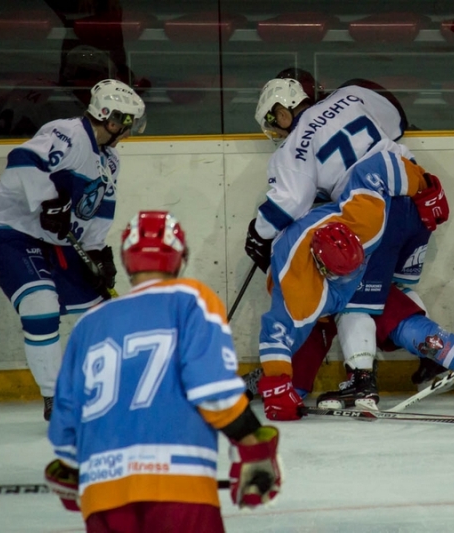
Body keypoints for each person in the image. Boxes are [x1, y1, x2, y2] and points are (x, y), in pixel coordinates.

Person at [45, 210, 282, 532]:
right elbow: (211, 388)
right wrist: (253, 447)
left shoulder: (89, 323)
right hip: (179, 489)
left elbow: (65, 426)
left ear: (127, 262)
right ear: (180, 258)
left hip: (103, 495)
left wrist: (74, 469)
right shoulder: (190, 299)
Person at [257, 149, 454, 421]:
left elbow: (379, 165)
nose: (347, 279)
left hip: (372, 255)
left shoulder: (363, 220)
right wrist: (276, 383)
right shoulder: (297, 289)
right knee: (301, 372)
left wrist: (425, 185)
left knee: (399, 321)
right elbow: (275, 333)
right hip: (318, 300)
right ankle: (361, 378)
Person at [248, 72, 451, 404]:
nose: (278, 130)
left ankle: (362, 381)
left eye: (275, 120)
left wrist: (258, 233)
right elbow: (396, 122)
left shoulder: (295, 143)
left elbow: (290, 201)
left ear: (283, 110)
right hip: (417, 198)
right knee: (393, 289)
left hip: (373, 211)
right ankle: (430, 361)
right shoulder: (353, 95)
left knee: (354, 298)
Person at [0, 79, 145, 421]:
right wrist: (49, 201)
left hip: (57, 242)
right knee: (40, 306)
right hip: (12, 234)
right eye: (126, 122)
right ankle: (56, 399)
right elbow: (23, 159)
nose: (129, 131)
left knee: (102, 315)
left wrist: (97, 254)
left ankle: (110, 388)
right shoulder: (66, 133)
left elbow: (97, 211)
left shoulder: (110, 161)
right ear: (109, 118)